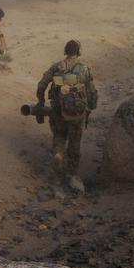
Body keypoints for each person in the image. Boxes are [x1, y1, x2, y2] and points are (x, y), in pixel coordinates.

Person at [36, 40, 97, 190]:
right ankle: (71, 174)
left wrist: (41, 101)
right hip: (77, 113)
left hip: (58, 111)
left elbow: (41, 85)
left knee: (59, 136)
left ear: (65, 51)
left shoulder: (57, 67)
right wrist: (91, 107)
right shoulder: (84, 68)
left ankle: (58, 154)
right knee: (75, 143)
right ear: (78, 51)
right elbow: (91, 92)